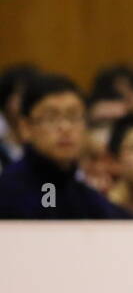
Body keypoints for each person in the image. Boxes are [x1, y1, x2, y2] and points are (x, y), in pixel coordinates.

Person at [0, 74, 122, 219]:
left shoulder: (89, 199)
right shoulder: (8, 192)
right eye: (51, 118)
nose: (65, 127)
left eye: (73, 117)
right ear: (25, 127)